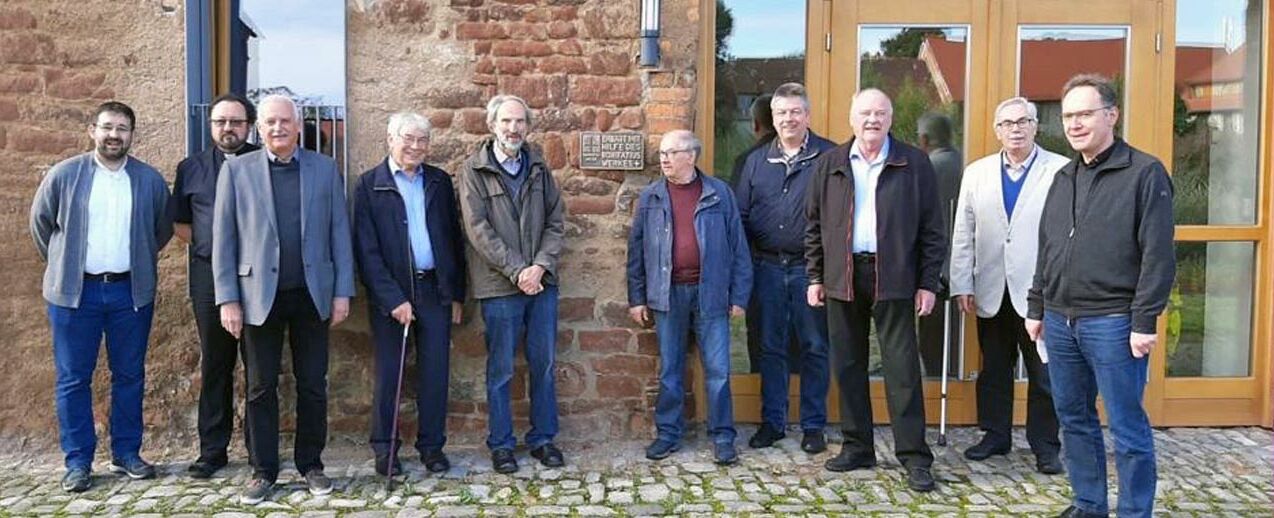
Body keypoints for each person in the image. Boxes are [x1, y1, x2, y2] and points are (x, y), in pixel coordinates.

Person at [1026, 74, 1175, 518]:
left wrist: (1144, 321)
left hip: (1114, 323)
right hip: (1059, 320)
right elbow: (1048, 245)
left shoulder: (1144, 173)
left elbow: (1158, 254)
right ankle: (1089, 504)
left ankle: (1133, 512)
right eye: (1068, 115)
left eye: (1085, 114)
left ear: (1112, 115)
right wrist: (1037, 306)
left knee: (1127, 428)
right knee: (1074, 421)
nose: (1074, 124)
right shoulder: (1063, 176)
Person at [212, 94, 354, 504]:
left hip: (312, 295)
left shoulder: (325, 170)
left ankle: (311, 464)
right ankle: (263, 470)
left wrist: (342, 290)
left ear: (298, 125)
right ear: (259, 127)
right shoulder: (237, 172)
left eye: (285, 121)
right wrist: (228, 300)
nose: (277, 128)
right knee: (260, 387)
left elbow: (338, 234)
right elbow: (225, 241)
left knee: (313, 384)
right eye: (270, 122)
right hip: (258, 296)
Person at [805, 88, 944, 492]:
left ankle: (915, 457)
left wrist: (928, 283)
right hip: (843, 275)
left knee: (901, 370)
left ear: (890, 118)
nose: (872, 120)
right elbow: (813, 226)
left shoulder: (913, 163)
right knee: (848, 365)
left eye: (880, 113)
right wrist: (815, 276)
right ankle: (857, 446)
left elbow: (933, 230)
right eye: (865, 113)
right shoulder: (830, 163)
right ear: (851, 118)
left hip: (896, 276)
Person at [30, 101, 172, 492]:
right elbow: (41, 225)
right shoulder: (65, 175)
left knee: (129, 375)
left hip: (130, 292)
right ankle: (78, 461)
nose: (114, 135)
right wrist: (65, 264)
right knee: (74, 378)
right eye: (107, 127)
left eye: (122, 128)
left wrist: (134, 265)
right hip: (76, 295)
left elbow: (159, 232)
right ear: (92, 130)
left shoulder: (149, 180)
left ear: (132, 134)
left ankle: (127, 453)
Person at [948, 97, 1066, 474]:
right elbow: (963, 232)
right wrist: (961, 282)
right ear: (997, 130)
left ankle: (1045, 445)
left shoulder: (1060, 170)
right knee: (994, 369)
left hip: (1041, 292)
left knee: (1044, 374)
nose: (1015, 129)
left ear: (1036, 126)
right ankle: (995, 435)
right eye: (1007, 123)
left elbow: (1067, 234)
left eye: (1023, 121)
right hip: (991, 288)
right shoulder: (977, 172)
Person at [457, 94, 566, 474]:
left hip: (542, 284)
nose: (513, 128)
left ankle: (543, 439)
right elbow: (478, 230)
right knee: (501, 369)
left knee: (544, 364)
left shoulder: (538, 166)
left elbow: (556, 221)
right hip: (499, 287)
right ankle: (502, 444)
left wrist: (539, 266)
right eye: (506, 121)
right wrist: (518, 270)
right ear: (492, 125)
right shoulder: (473, 170)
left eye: (520, 121)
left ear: (528, 126)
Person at [628, 130, 751, 465]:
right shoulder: (651, 197)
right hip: (667, 296)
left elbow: (739, 248)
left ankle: (723, 437)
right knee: (670, 369)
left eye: (672, 152)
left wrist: (739, 295)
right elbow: (636, 252)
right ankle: (668, 434)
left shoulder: (719, 193)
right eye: (663, 153)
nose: (664, 159)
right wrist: (637, 297)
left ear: (692, 156)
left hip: (711, 294)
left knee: (719, 370)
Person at [353, 111, 466, 476]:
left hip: (434, 289)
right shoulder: (369, 185)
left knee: (436, 373)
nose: (416, 147)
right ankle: (385, 450)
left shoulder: (438, 182)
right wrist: (393, 299)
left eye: (422, 140)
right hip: (393, 293)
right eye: (408, 139)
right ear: (390, 139)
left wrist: (457, 294)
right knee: (391, 374)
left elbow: (453, 239)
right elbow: (366, 252)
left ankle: (432, 447)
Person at [734, 83, 834, 453]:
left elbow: (841, 217)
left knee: (814, 348)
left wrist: (824, 273)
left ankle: (813, 426)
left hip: (812, 270)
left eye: (795, 112)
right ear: (772, 119)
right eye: (781, 113)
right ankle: (772, 422)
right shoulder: (755, 161)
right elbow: (741, 217)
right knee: (770, 348)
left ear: (807, 115)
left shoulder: (830, 156)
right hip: (768, 269)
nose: (788, 119)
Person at [169, 92, 259, 479]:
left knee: (259, 365)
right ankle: (212, 450)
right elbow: (181, 225)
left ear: (248, 126)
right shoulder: (190, 168)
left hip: (258, 277)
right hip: (208, 279)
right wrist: (214, 252)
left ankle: (260, 448)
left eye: (236, 122)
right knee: (217, 363)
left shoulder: (264, 161)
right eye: (220, 121)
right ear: (211, 127)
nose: (228, 128)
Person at [915, 112, 964, 377]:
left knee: (933, 341)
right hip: (961, 265)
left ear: (923, 139)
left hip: (935, 268)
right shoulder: (963, 163)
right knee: (957, 340)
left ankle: (936, 385)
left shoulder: (928, 168)